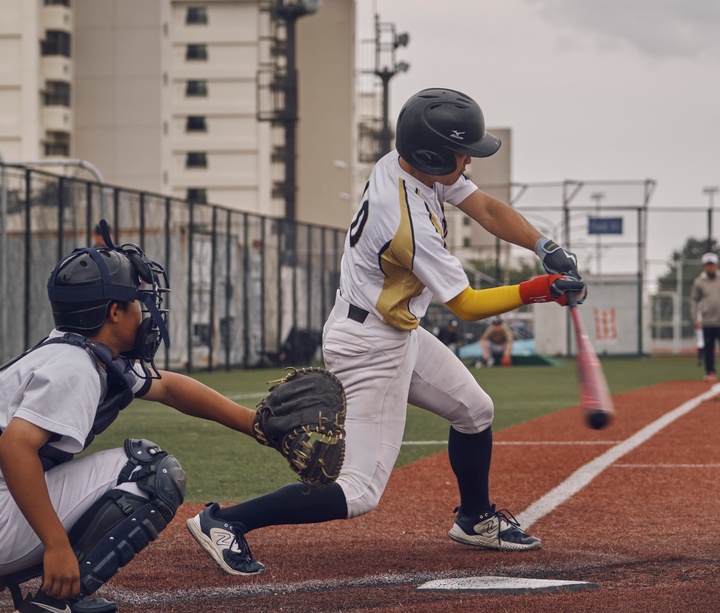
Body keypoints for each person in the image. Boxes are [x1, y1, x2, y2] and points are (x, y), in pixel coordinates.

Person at [186, 87, 586, 574]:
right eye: (461, 153)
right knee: (358, 491)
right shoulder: (405, 219)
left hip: (395, 330)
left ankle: (474, 518)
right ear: (432, 155)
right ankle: (226, 521)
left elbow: (484, 208)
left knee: (475, 410)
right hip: (369, 346)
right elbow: (466, 305)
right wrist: (542, 288)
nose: (467, 163)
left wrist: (544, 245)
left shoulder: (405, 164)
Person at [0, 222, 258, 613]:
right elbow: (15, 448)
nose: (147, 311)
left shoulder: (77, 351)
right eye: (139, 301)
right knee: (150, 471)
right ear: (114, 312)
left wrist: (255, 424)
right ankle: (53, 604)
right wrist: (55, 544)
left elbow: (170, 387)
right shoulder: (75, 367)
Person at [690, 252, 720, 382]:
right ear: (704, 266)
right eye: (707, 265)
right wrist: (695, 318)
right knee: (708, 348)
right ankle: (710, 372)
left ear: (716, 265)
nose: (710, 267)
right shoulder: (699, 282)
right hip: (707, 321)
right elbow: (694, 300)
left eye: (712, 264)